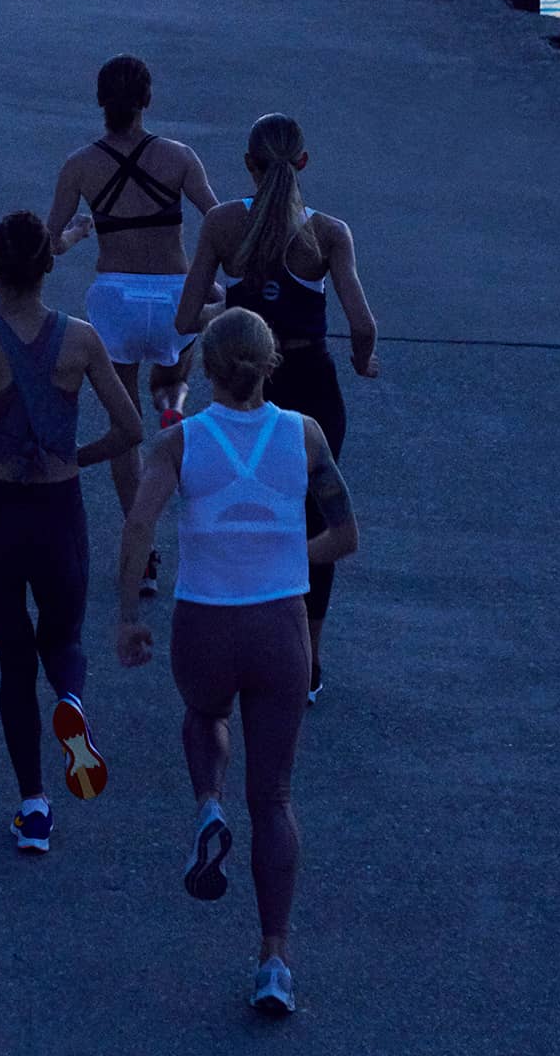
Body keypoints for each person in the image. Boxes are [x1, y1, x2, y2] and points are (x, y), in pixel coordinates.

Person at [116, 307, 359, 1012]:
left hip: (206, 625)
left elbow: (139, 523)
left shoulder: (182, 441)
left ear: (206, 371)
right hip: (282, 630)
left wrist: (128, 616)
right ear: (271, 364)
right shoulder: (305, 434)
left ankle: (206, 804)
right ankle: (274, 960)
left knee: (202, 715)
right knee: (277, 798)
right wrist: (285, 555)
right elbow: (345, 535)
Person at [0, 211, 143, 853]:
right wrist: (77, 459)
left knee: (14, 662)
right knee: (63, 636)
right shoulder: (83, 340)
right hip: (58, 511)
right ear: (47, 266)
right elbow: (130, 429)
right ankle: (69, 697)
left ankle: (35, 808)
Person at [175, 112, 379, 704]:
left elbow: (186, 319)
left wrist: (231, 309)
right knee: (314, 519)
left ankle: (232, 633)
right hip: (312, 385)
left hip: (246, 386)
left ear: (248, 165)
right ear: (305, 164)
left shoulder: (221, 224)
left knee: (237, 511)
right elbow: (362, 324)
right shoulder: (329, 233)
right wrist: (363, 364)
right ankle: (306, 663)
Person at [45, 54, 220, 598]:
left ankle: (139, 548)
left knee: (125, 425)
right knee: (179, 357)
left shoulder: (79, 165)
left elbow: (48, 245)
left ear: (101, 102)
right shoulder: (179, 157)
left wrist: (77, 236)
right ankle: (173, 400)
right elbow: (218, 224)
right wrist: (212, 287)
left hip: (115, 300)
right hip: (173, 299)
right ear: (148, 101)